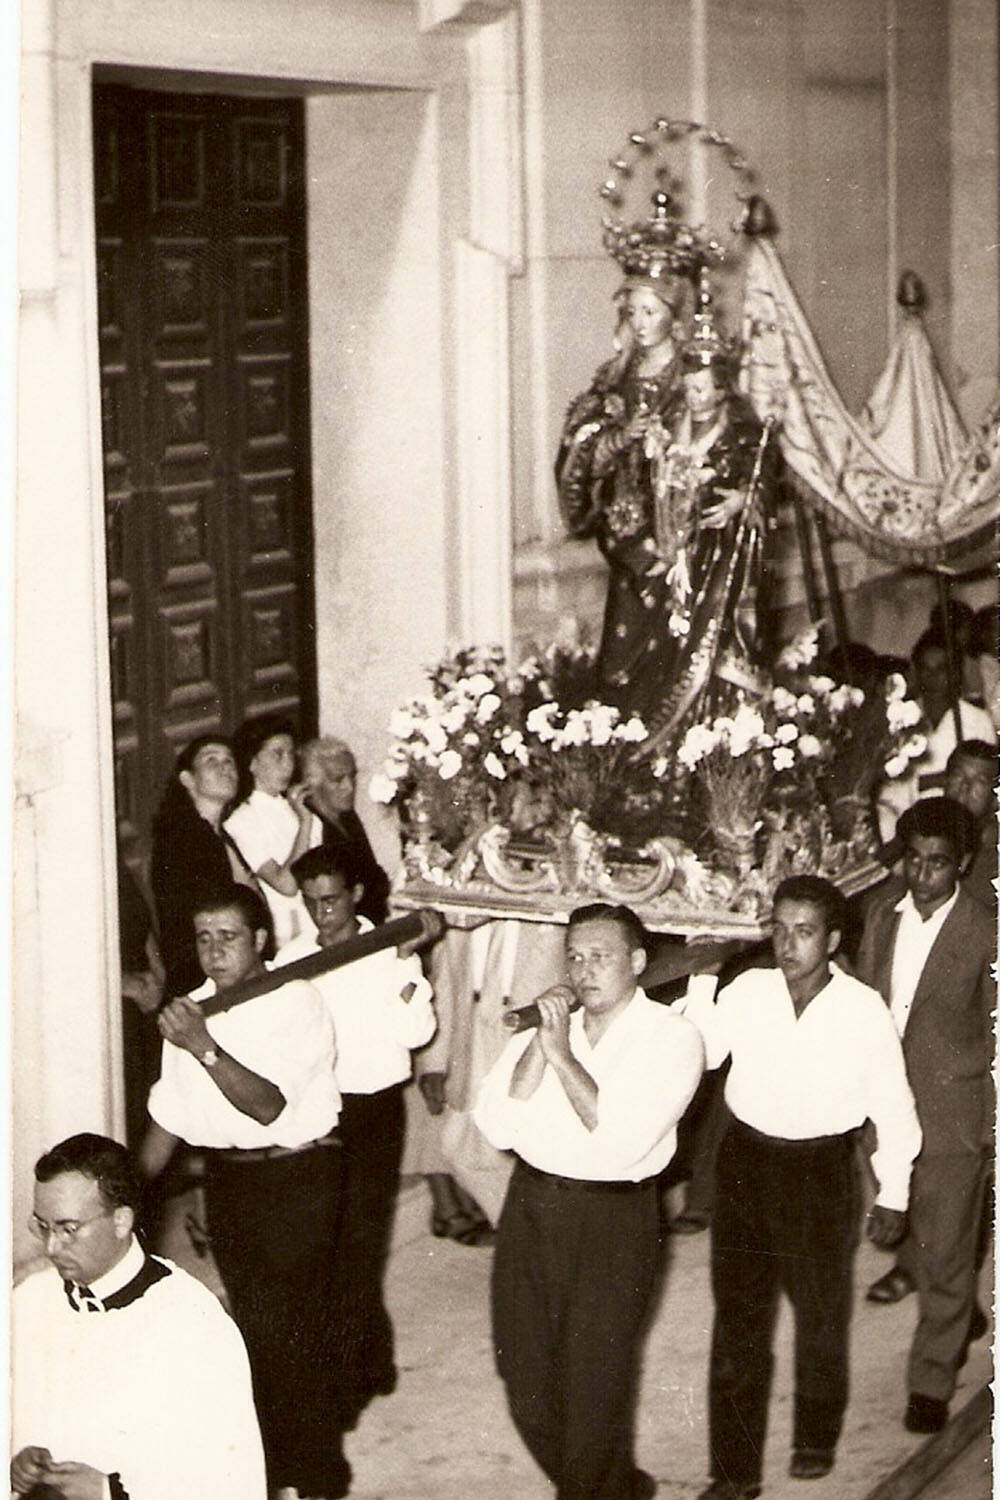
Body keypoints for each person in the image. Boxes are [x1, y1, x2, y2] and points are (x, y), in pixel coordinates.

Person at [677, 875, 920, 1498]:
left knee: (819, 1316)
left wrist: (893, 1190)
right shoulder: (749, 991)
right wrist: (703, 979)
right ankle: (733, 1475)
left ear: (834, 939)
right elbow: (701, 1053)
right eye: (779, 929)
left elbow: (893, 1105)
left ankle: (815, 1434)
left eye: (804, 932)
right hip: (746, 1167)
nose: (788, 944)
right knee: (738, 1321)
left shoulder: (863, 1009)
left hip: (820, 1174)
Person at [474, 902, 704, 1500]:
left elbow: (621, 1137)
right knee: (522, 1376)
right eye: (573, 956)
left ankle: (592, 1490)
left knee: (592, 1388)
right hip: (531, 1206)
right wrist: (543, 1044)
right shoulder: (550, 1028)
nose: (583, 970)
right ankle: (615, 1489)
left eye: (600, 957)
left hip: (612, 1220)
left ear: (637, 962)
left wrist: (561, 1055)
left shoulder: (672, 1038)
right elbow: (496, 1124)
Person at [139, 884, 349, 1500]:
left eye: (227, 936)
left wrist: (202, 1045)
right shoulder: (190, 1011)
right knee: (251, 1337)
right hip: (232, 1181)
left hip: (300, 1177)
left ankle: (316, 1481)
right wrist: (120, 1190)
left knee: (291, 1335)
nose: (213, 951)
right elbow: (170, 1118)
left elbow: (266, 1105)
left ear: (260, 939)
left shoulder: (295, 1000)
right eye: (203, 937)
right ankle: (274, 1476)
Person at [11, 1132, 266, 1500]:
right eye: (43, 1227)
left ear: (121, 1221)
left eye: (69, 1229)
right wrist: (16, 1464)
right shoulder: (30, 1301)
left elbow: (230, 1478)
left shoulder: (191, 1324)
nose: (52, 1247)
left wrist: (109, 1492)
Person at [278, 844, 436, 1424]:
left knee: (361, 1240)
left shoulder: (388, 952)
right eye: (312, 902)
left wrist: (402, 966)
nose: (322, 913)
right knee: (325, 1240)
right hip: (316, 1111)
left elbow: (416, 1032)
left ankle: (351, 1379)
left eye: (331, 901)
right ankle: (370, 1359)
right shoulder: (291, 958)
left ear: (356, 896)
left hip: (372, 1111)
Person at [858, 798, 995, 1434]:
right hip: (884, 1105)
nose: (922, 876)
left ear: (962, 864)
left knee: (943, 1246)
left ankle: (931, 1378)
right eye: (912, 861)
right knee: (908, 1220)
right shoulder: (881, 917)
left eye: (938, 864)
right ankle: (957, 1306)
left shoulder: (986, 929)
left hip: (952, 1109)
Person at [150, 734, 256, 998]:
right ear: (188, 779)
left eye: (229, 761)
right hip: (205, 979)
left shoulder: (219, 834)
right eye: (212, 761)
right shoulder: (184, 838)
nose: (225, 768)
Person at [876, 628, 996, 842]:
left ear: (957, 673)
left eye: (942, 669)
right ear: (915, 672)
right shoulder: (901, 720)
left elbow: (986, 780)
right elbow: (890, 790)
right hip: (910, 823)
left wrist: (933, 782)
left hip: (960, 823)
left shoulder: (977, 720)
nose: (933, 678)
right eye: (926, 669)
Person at [224, 714, 317, 949]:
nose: (288, 764)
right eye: (277, 754)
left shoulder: (292, 805)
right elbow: (286, 884)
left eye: (290, 754)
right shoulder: (241, 820)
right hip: (289, 933)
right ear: (252, 763)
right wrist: (305, 822)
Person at [300, 735, 391, 925]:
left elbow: (372, 876)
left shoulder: (348, 818)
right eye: (338, 779)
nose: (349, 787)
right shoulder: (313, 828)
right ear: (313, 784)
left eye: (352, 776)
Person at [117, 858, 165, 1147]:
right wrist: (127, 984)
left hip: (143, 1005)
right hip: (116, 1007)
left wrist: (159, 976)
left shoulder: (116, 865)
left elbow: (144, 926)